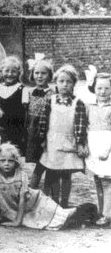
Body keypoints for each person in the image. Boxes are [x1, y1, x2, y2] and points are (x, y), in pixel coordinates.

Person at [0, 143, 91, 230]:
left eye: (10, 161)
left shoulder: (21, 175)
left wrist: (18, 221)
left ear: (16, 162)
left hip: (35, 203)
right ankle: (78, 215)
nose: (6, 164)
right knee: (42, 223)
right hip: (13, 208)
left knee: (59, 217)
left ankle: (83, 209)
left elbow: (22, 199)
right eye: (2, 160)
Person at [39, 64, 87, 208]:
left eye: (68, 82)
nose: (65, 85)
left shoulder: (78, 103)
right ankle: (54, 204)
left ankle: (64, 203)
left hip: (69, 143)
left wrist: (80, 143)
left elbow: (80, 126)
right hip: (52, 142)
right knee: (53, 173)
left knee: (66, 174)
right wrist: (42, 139)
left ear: (74, 84)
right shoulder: (50, 100)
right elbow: (43, 121)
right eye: (61, 81)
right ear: (55, 83)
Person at [24, 56, 54, 189]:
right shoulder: (29, 92)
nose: (40, 76)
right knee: (39, 160)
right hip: (33, 129)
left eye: (43, 73)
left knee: (47, 159)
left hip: (47, 129)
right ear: (32, 74)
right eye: (37, 73)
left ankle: (42, 188)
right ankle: (32, 188)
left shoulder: (53, 92)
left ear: (49, 75)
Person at [86, 72, 111, 226]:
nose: (102, 92)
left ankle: (108, 214)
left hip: (107, 149)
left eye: (107, 89)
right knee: (98, 181)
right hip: (94, 147)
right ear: (94, 89)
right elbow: (87, 128)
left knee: (108, 182)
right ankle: (101, 211)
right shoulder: (90, 106)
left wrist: (107, 150)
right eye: (99, 88)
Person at [0, 56, 28, 154]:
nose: (10, 74)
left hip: (16, 133)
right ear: (1, 71)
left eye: (13, 71)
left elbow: (26, 114)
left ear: (19, 73)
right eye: (7, 71)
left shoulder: (22, 90)